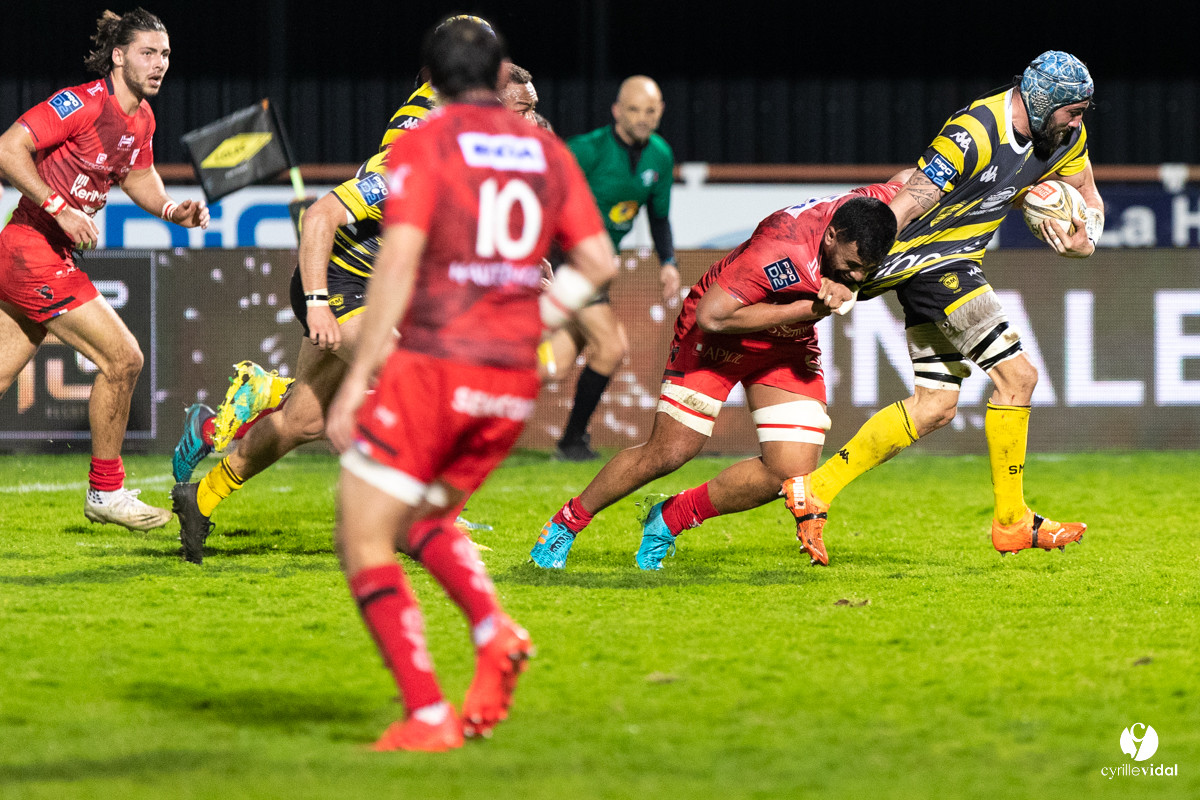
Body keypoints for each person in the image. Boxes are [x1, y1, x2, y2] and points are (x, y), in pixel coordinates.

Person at [323, 19, 615, 751]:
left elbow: (398, 262)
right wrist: (537, 318)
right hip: (510, 381)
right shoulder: (545, 150)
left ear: (432, 75)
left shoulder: (427, 140)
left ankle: (425, 713)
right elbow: (600, 262)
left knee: (362, 534)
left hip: (438, 365)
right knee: (422, 519)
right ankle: (496, 632)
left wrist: (360, 375)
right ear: (497, 76)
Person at [170, 41, 540, 564]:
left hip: (368, 291)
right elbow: (319, 216)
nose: (531, 122)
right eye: (522, 111)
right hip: (339, 287)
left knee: (303, 420)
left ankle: (201, 496)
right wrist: (319, 303)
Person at [795, 50, 1104, 564]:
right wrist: (853, 270)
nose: (1078, 121)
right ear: (1044, 100)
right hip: (925, 261)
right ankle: (1012, 522)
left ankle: (817, 489)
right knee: (1018, 376)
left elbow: (1088, 199)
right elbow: (909, 198)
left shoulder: (1066, 139)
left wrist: (1085, 237)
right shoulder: (976, 130)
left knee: (936, 405)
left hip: (948, 266)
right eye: (1073, 110)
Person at [531, 185, 900, 570]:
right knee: (669, 452)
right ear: (831, 236)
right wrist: (808, 309)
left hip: (786, 346)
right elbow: (713, 315)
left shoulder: (870, 208)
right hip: (717, 335)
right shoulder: (781, 249)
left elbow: (914, 185)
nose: (858, 276)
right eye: (853, 265)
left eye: (867, 270)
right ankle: (565, 524)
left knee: (790, 470)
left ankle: (670, 518)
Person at [0, 8, 208, 532]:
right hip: (32, 248)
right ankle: (105, 492)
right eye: (148, 53)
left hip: (39, 253)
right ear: (118, 56)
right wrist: (58, 207)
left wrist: (169, 210)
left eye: (164, 54)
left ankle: (105, 492)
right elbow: (8, 149)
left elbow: (139, 177)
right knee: (124, 358)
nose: (159, 64)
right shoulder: (83, 103)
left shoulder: (142, 118)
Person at [548, 75, 682, 461]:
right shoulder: (584, 151)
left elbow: (659, 217)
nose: (643, 117)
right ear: (616, 111)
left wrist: (668, 263)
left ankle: (487, 390)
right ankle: (572, 441)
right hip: (566, 261)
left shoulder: (660, 154)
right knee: (610, 346)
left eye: (651, 110)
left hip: (595, 269)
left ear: (661, 113)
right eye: (635, 109)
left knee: (553, 365)